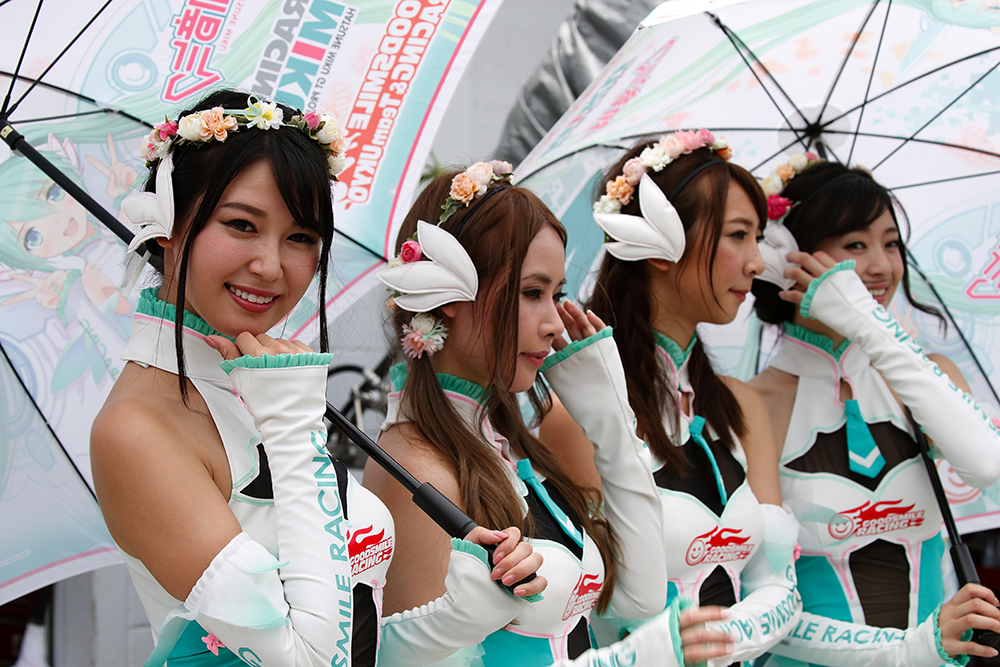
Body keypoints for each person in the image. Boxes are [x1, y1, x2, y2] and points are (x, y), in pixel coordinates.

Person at [89, 89, 537, 667]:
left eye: (300, 237)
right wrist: (293, 426)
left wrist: (465, 608)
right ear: (166, 228)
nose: (270, 265)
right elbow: (305, 659)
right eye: (241, 224)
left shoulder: (257, 384)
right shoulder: (136, 430)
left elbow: (353, 636)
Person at [366, 162, 706, 666]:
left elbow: (640, 598)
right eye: (532, 293)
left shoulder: (512, 444)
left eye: (558, 295)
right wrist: (635, 659)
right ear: (448, 292)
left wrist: (610, 419)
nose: (553, 324)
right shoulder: (416, 467)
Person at [541, 131, 803, 667]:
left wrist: (716, 641)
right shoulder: (577, 419)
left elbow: (781, 588)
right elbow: (605, 606)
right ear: (658, 246)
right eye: (738, 236)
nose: (757, 263)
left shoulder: (740, 406)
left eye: (757, 238)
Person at [748, 158, 1000, 666]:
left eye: (891, 243)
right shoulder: (753, 404)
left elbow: (989, 466)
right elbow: (757, 607)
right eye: (856, 245)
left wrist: (866, 324)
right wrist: (912, 649)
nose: (883, 266)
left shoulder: (930, 377)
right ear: (784, 255)